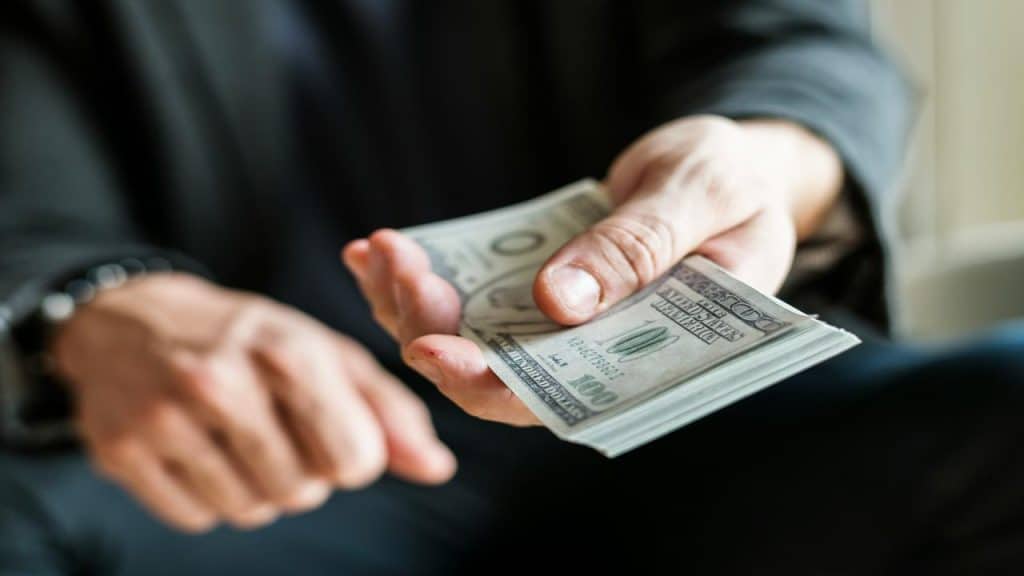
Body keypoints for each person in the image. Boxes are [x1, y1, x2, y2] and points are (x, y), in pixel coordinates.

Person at [1, 0, 1022, 574]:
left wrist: (766, 163)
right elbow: (27, 195)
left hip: (706, 443)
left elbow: (803, 45)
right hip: (275, 475)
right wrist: (93, 308)